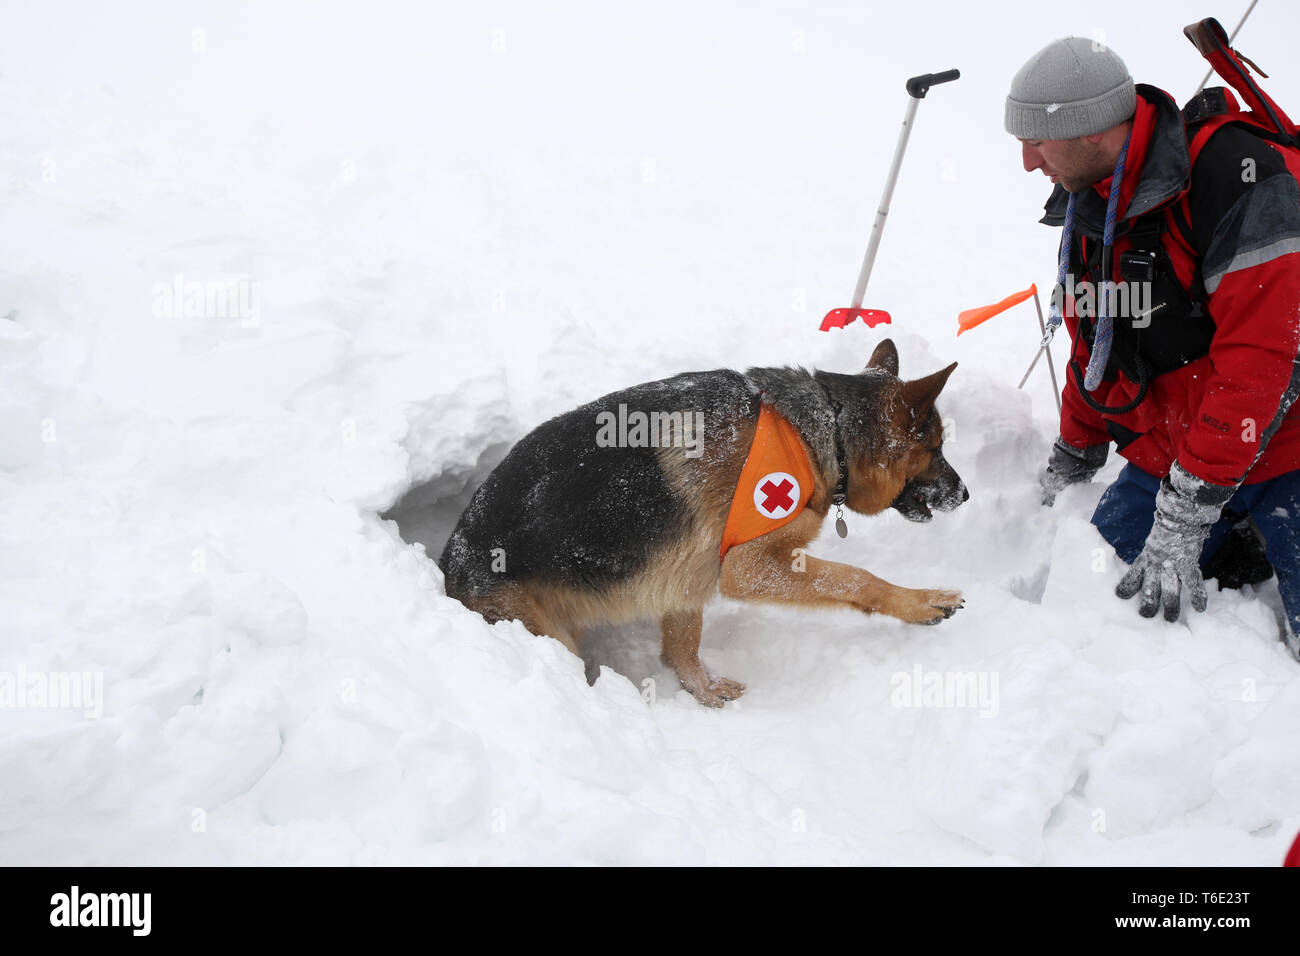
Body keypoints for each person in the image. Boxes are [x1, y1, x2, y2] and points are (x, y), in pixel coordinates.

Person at [1004, 37, 1300, 653]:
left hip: (1289, 442)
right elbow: (1098, 336)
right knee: (1098, 600)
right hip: (1182, 445)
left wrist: (1189, 510)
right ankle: (1237, 532)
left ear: (1092, 132)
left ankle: (1241, 525)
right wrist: (1077, 449)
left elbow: (1263, 360)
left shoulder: (1237, 180)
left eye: (1036, 140)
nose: (1028, 163)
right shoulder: (1093, 199)